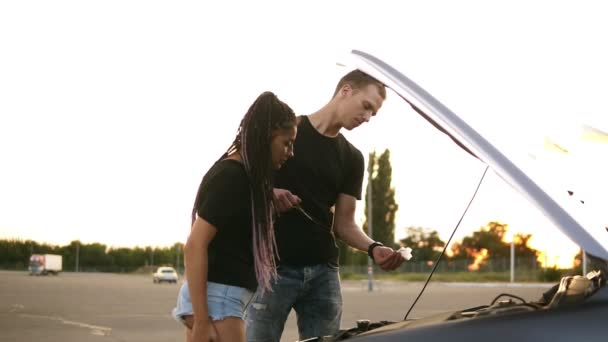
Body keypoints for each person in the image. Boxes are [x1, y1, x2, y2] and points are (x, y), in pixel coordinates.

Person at [246, 70, 406, 342]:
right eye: (366, 107)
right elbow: (240, 182)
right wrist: (269, 193)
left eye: (373, 114)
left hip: (324, 274)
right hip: (273, 269)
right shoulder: (286, 129)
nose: (367, 118)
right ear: (346, 90)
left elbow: (344, 224)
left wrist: (374, 247)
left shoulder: (352, 158)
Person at [172, 91, 297, 342]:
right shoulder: (232, 177)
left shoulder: (244, 179)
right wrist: (203, 320)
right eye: (286, 142)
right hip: (217, 300)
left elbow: (231, 232)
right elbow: (195, 245)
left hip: (220, 298)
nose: (290, 152)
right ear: (266, 137)